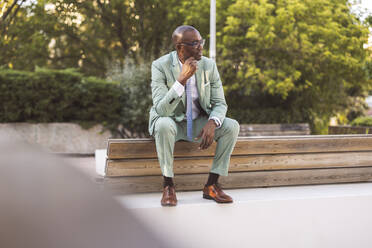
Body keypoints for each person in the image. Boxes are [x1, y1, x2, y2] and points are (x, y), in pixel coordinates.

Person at [148, 25, 239, 207]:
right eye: (194, 43)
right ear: (180, 47)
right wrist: (181, 79)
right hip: (172, 122)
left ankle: (212, 185)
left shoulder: (208, 65)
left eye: (201, 42)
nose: (200, 47)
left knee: (231, 126)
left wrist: (213, 122)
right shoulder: (160, 66)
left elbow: (220, 103)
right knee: (163, 124)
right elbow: (161, 110)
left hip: (198, 123)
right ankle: (168, 186)